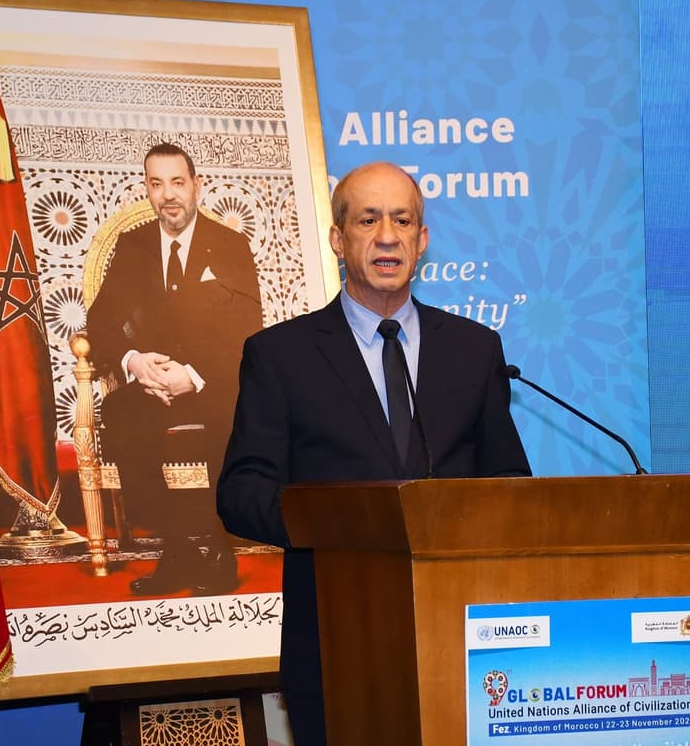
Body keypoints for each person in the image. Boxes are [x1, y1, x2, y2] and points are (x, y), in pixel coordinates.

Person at [216, 161, 530, 745]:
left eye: (402, 219)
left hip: (469, 649)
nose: (387, 235)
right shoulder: (280, 356)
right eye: (368, 219)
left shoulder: (473, 350)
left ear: (422, 240)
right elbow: (240, 492)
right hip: (337, 648)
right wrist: (341, 521)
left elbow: (509, 481)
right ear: (339, 239)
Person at [86, 142, 262, 596]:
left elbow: (247, 328)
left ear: (196, 186)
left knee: (232, 417)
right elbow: (100, 323)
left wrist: (193, 374)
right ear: (146, 189)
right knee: (121, 417)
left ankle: (216, 548)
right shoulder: (133, 246)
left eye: (177, 182)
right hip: (150, 383)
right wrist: (134, 363)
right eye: (156, 183)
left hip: (211, 381)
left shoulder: (229, 244)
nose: (169, 194)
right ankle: (181, 549)